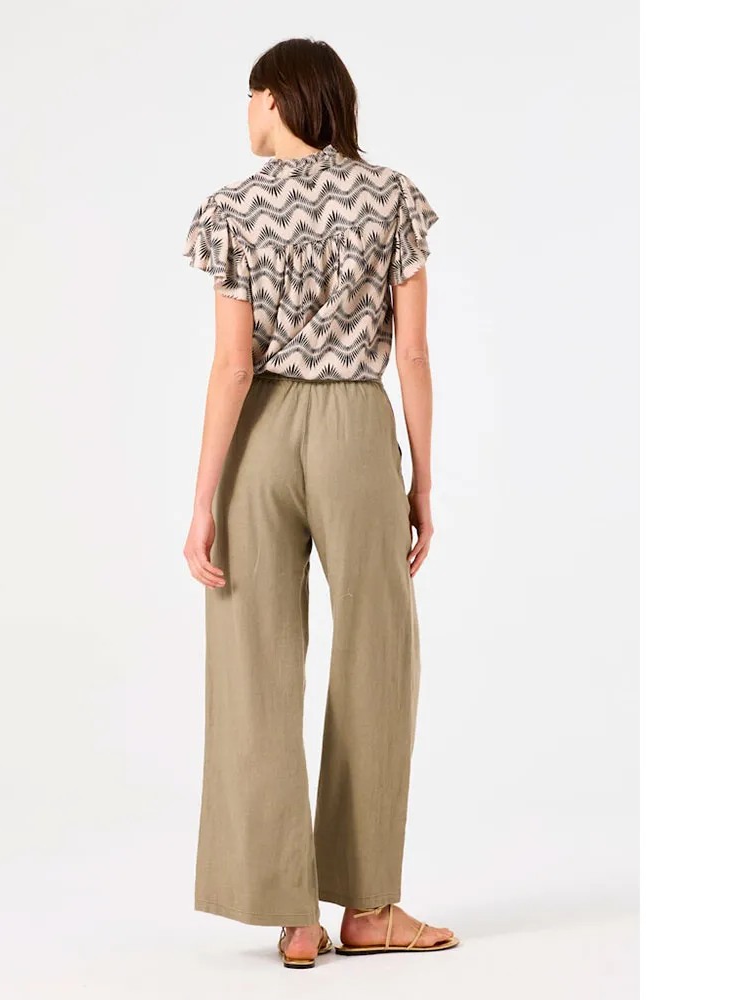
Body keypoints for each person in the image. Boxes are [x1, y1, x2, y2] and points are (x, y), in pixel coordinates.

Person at [181, 37, 458, 969]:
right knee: (377, 651)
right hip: (353, 430)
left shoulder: (234, 209)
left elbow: (232, 366)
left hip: (259, 436)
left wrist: (203, 497)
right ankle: (369, 909)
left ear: (275, 99)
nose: (245, 112)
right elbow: (411, 354)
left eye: (249, 95)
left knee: (253, 661)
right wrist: (422, 479)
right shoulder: (392, 199)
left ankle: (292, 917)